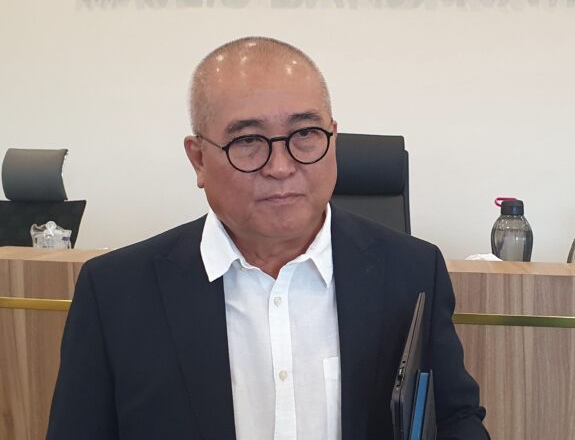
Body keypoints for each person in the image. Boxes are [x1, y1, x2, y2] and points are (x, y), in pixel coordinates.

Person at [46, 37, 489, 440]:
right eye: (248, 141)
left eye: (305, 134)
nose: (280, 166)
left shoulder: (411, 270)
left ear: (333, 138)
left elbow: (454, 419)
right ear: (198, 159)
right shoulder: (116, 293)